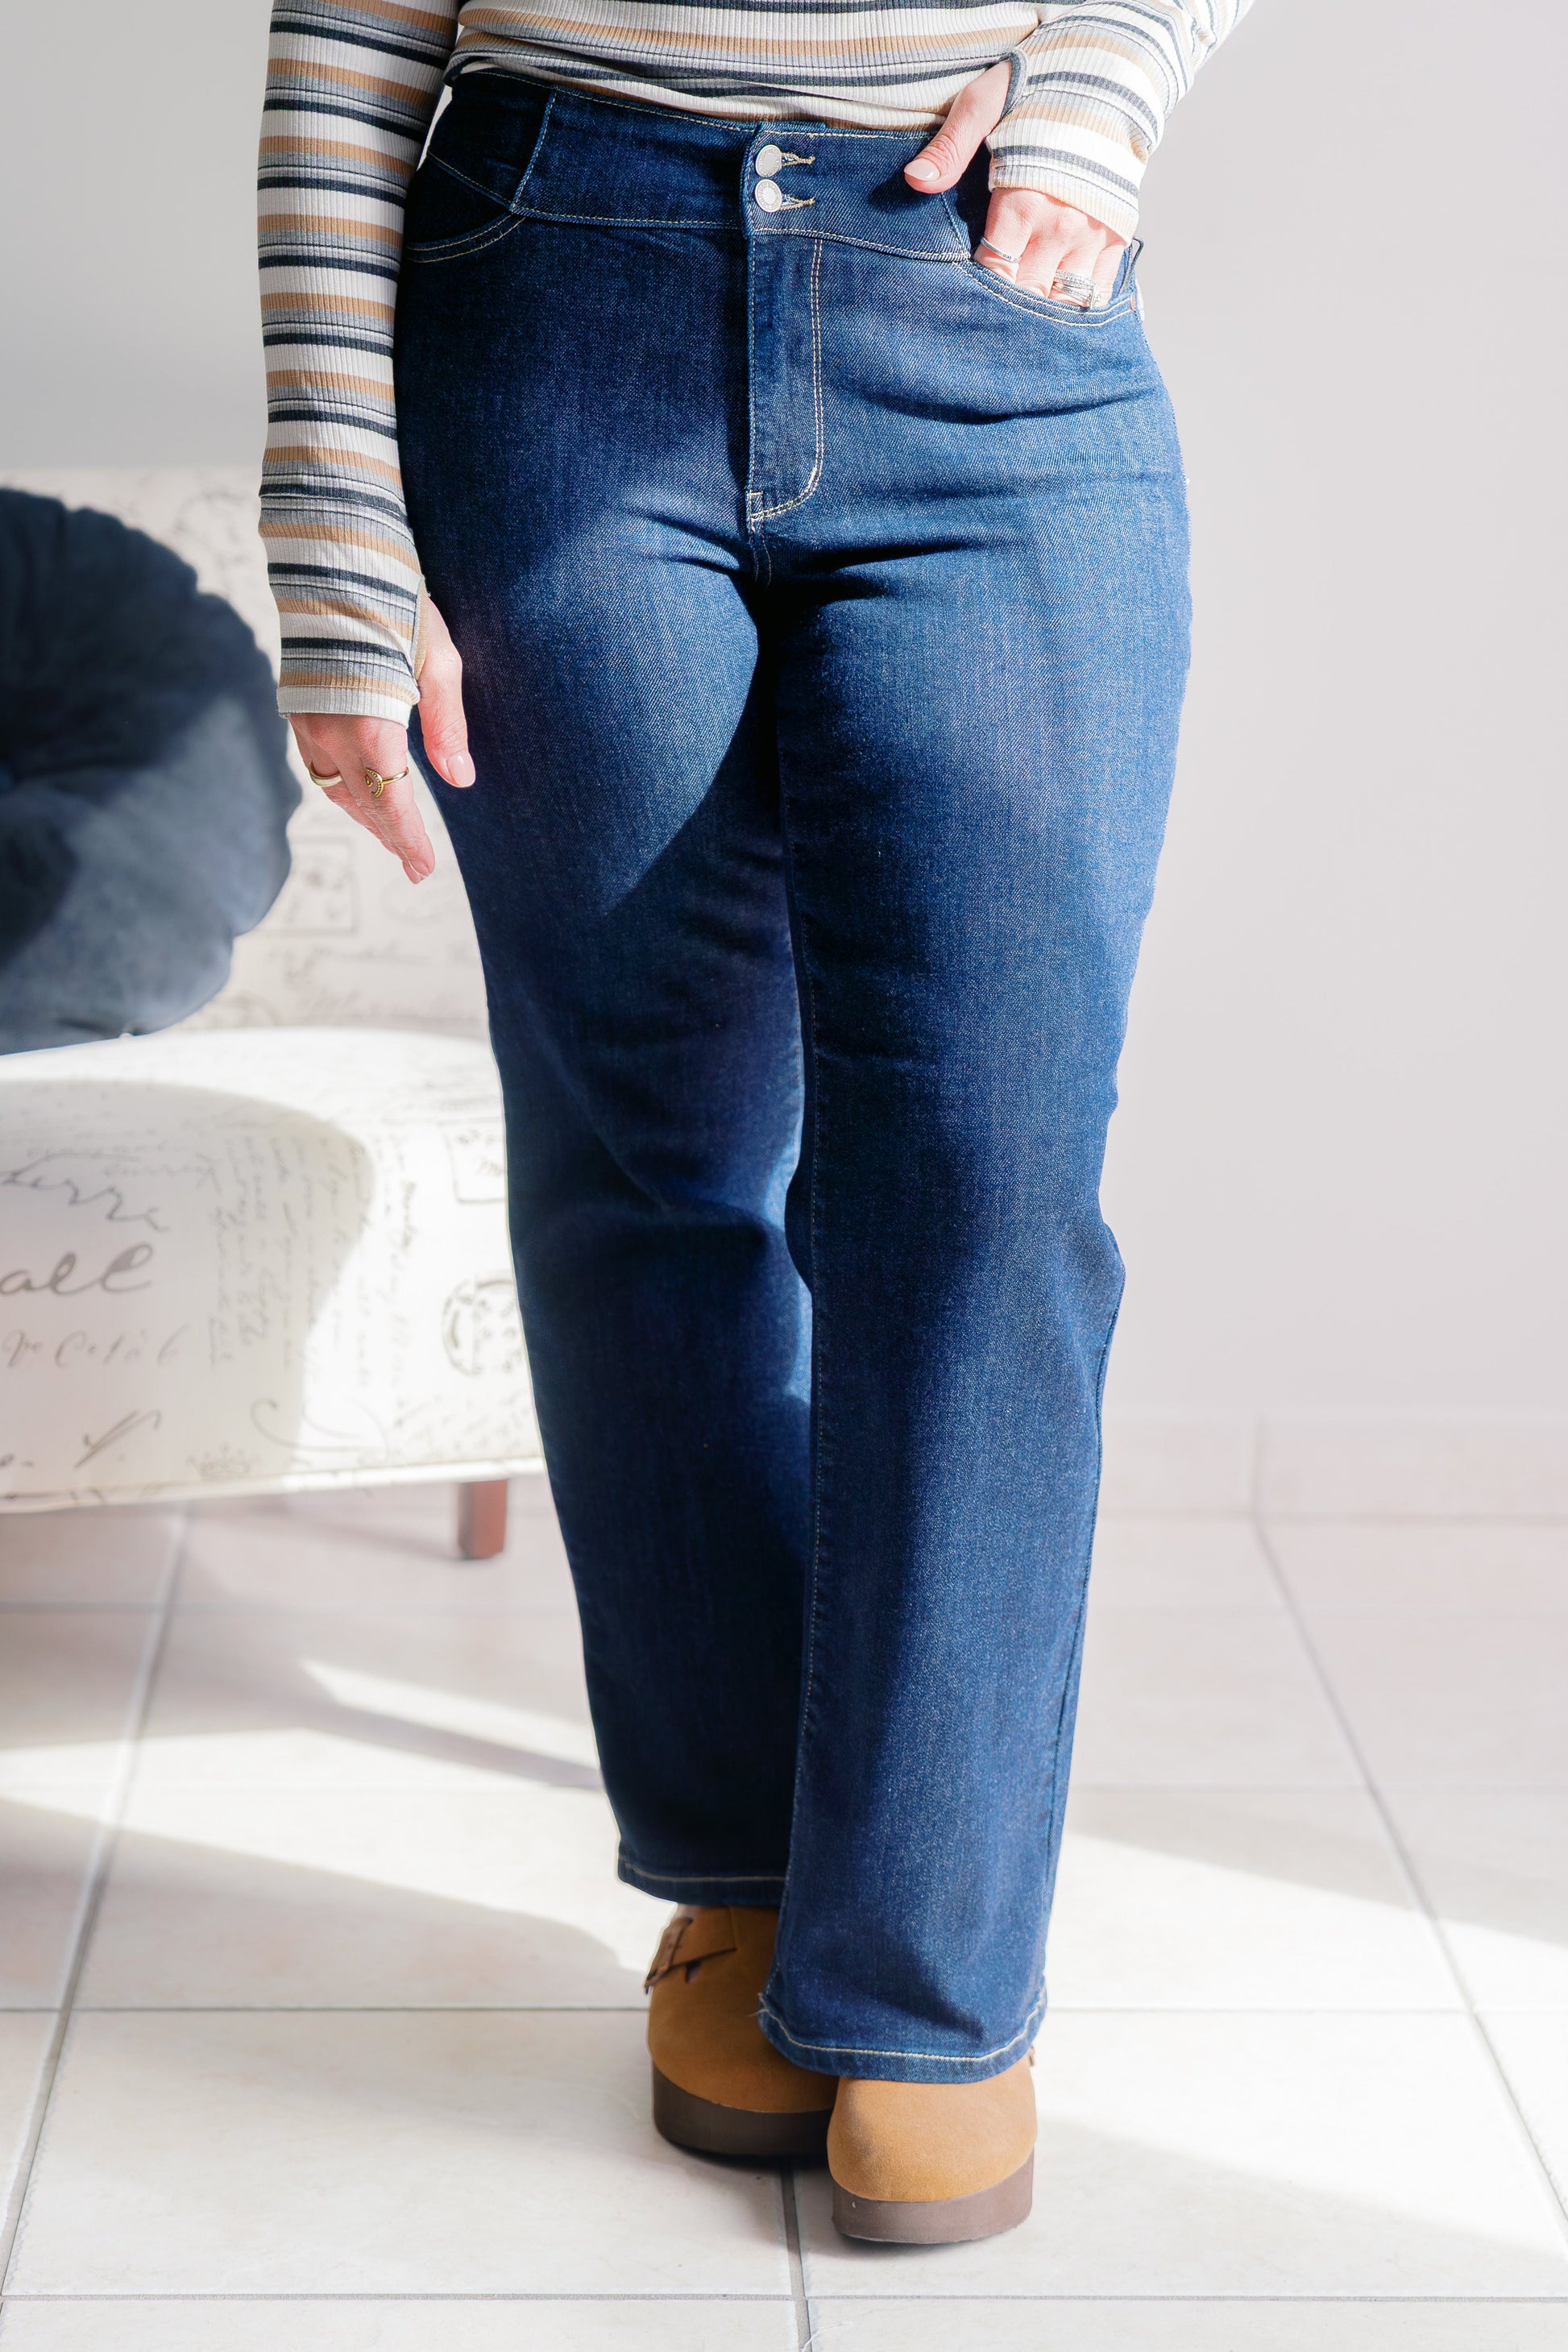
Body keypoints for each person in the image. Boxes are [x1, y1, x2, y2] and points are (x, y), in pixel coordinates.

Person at [259, 0, 1252, 2244]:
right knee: (654, 1165)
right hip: (549, 287)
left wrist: (1106, 75)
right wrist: (329, 519)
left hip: (988, 310)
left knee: (983, 1193)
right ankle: (734, 1871)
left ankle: (929, 1978)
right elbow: (341, 29)